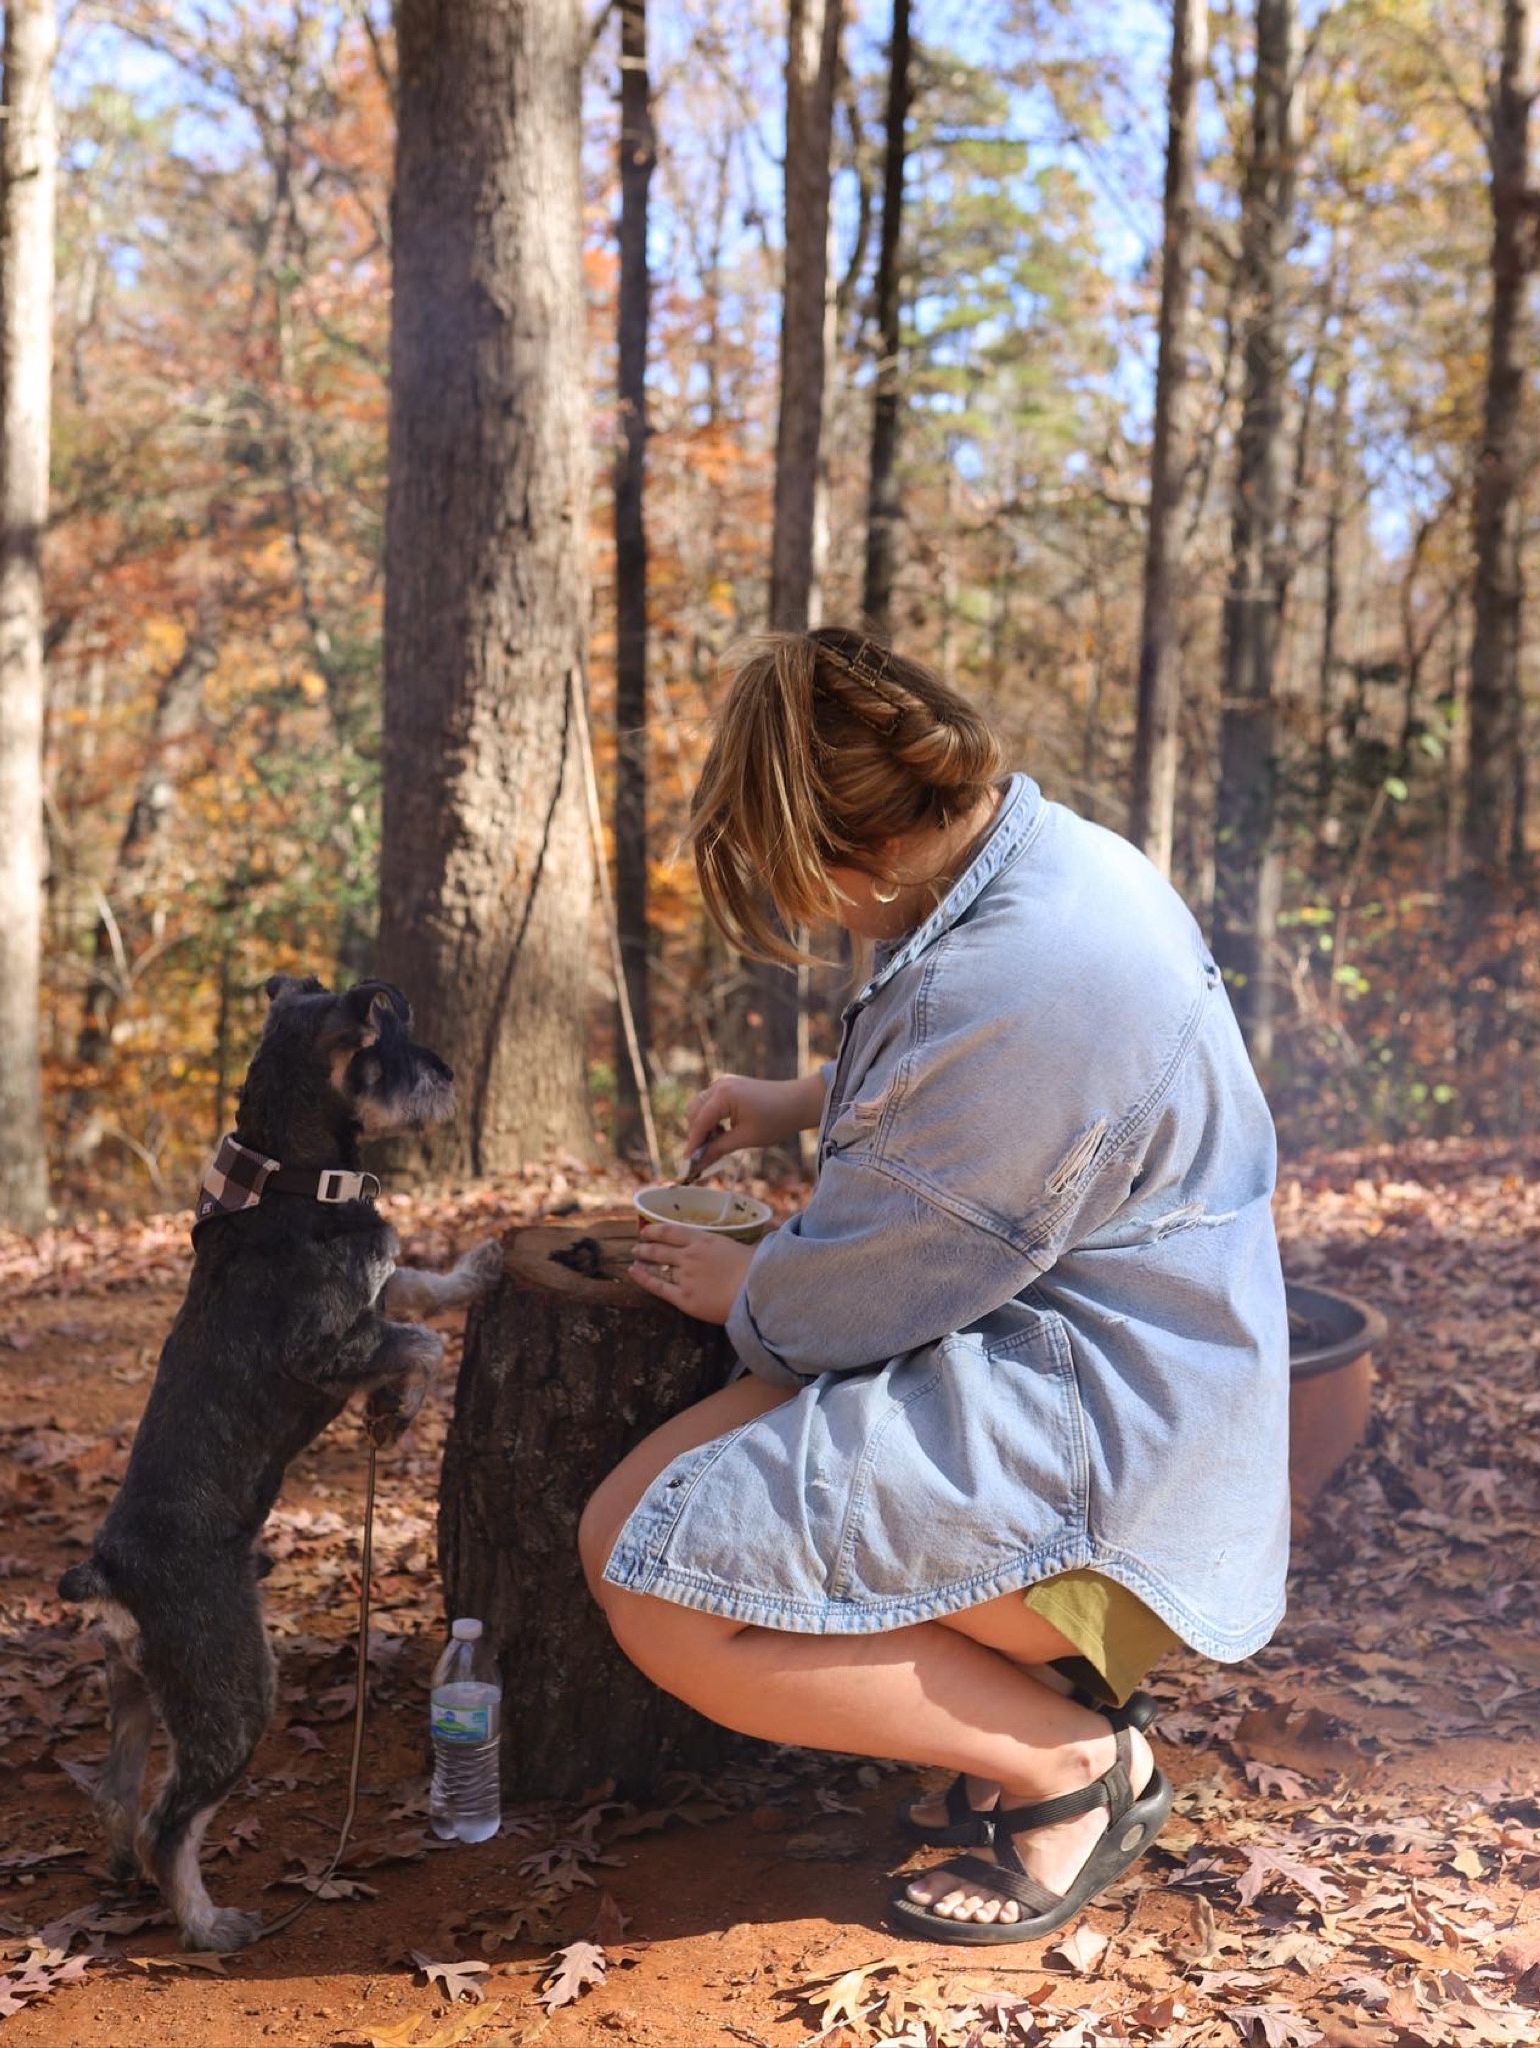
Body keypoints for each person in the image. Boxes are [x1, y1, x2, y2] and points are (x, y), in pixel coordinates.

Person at [577, 627, 1289, 1945]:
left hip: (1118, 1468)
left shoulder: (1018, 983)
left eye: (796, 881)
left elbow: (849, 1302)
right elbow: (987, 1100)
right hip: (1131, 1375)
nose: (808, 912)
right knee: (640, 1514)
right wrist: (801, 1098)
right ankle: (1038, 1700)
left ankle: (1069, 1763)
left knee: (651, 1574)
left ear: (857, 852)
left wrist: (749, 1286)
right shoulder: (1057, 861)